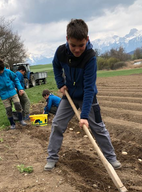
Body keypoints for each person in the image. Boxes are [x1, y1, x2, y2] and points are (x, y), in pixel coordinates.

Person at [44, 19, 121, 171]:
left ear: (87, 39)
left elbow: (89, 88)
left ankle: (111, 158)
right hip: (70, 95)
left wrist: (84, 116)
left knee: (98, 128)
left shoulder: (90, 57)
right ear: (67, 39)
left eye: (81, 45)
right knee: (57, 124)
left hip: (88, 96)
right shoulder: (61, 52)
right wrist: (60, 84)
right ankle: (51, 158)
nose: (77, 49)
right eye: (73, 45)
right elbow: (56, 65)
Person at [0, 59, 28, 130]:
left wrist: (20, 88)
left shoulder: (8, 71)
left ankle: (21, 120)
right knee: (8, 110)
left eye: (2, 70)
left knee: (18, 104)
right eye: (0, 70)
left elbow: (15, 78)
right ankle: (12, 124)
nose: (2, 71)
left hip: (12, 91)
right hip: (4, 95)